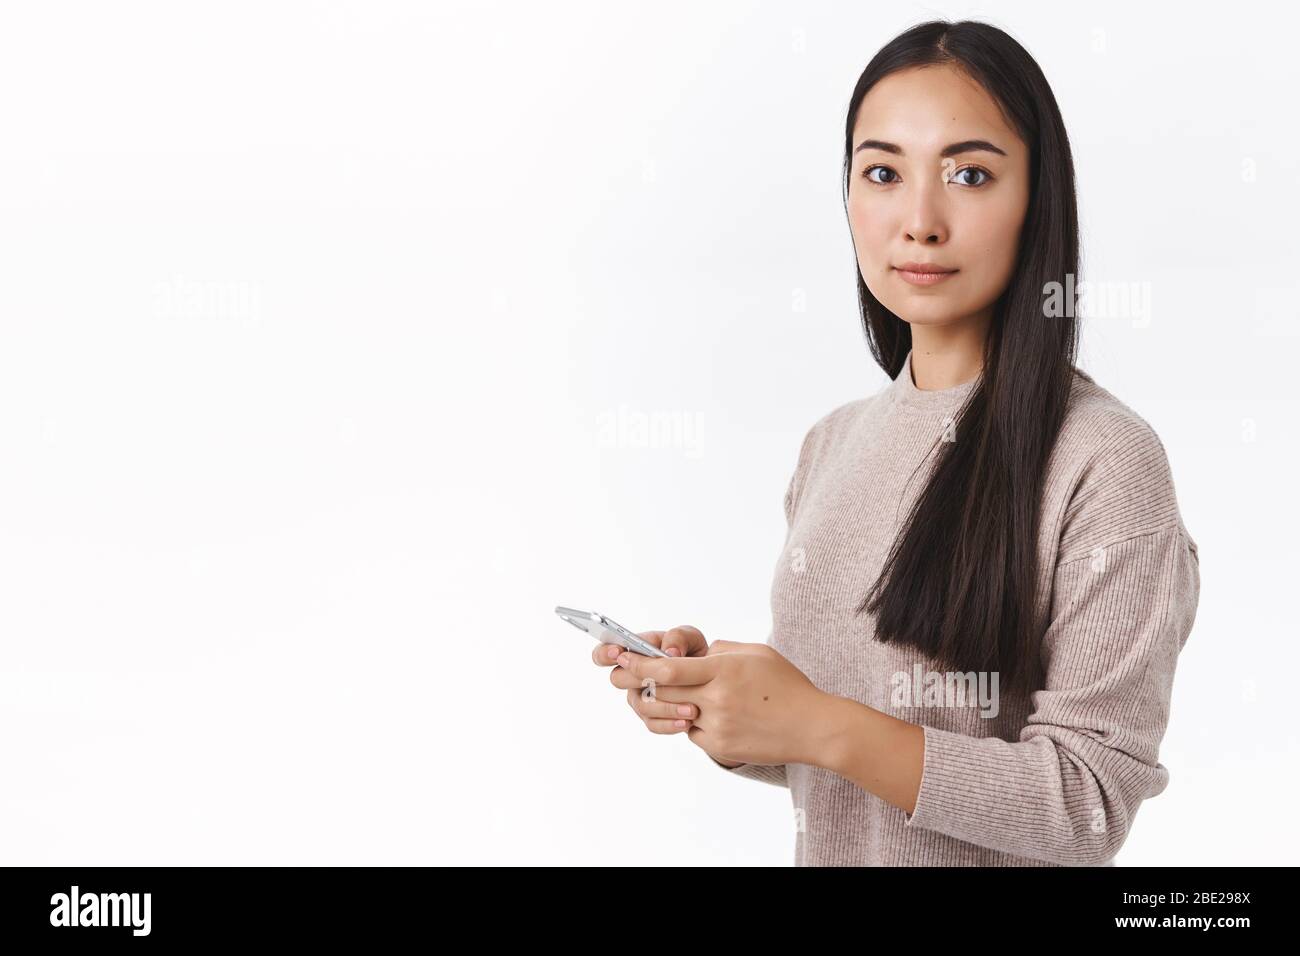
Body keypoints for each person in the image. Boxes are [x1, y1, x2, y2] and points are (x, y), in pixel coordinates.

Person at [592, 19, 1200, 866]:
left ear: (1038, 200)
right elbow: (857, 753)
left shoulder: (1105, 460)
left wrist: (817, 723)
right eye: (883, 172)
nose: (920, 219)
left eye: (970, 174)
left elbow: (1086, 805)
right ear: (848, 194)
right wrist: (728, 710)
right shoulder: (830, 444)